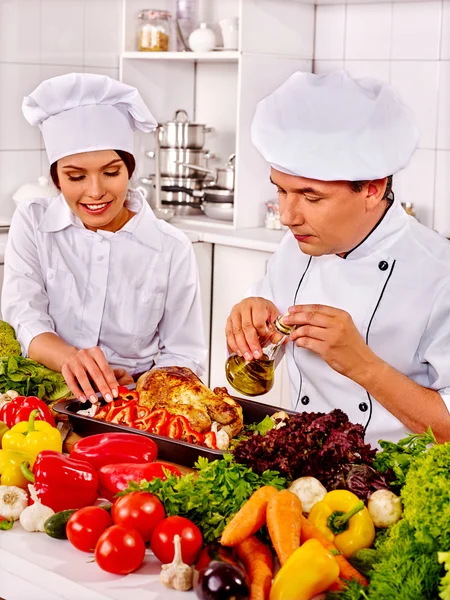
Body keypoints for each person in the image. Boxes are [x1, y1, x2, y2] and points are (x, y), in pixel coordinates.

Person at [225, 70, 450, 447]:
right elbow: (259, 374)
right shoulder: (294, 246)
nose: (287, 215)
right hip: (304, 464)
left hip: (392, 485)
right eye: (281, 191)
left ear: (372, 190)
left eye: (311, 197)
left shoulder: (439, 274)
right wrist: (253, 334)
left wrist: (364, 365)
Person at [2, 72, 206, 404]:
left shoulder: (171, 247)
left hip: (132, 409)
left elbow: (184, 356)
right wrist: (72, 360)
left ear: (129, 170)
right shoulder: (34, 222)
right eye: (76, 176)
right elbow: (22, 316)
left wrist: (140, 385)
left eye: (111, 172)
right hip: (43, 401)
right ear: (56, 177)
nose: (95, 192)